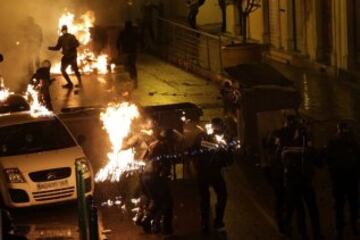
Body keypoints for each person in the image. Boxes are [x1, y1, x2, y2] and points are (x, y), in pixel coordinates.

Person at [279, 116, 322, 240]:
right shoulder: (304, 142)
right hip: (302, 180)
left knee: (300, 209)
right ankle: (314, 234)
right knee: (310, 209)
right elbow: (317, 160)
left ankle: (303, 234)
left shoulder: (285, 140)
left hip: (295, 180)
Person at [192, 118, 232, 234]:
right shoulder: (203, 136)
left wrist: (224, 150)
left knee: (222, 196)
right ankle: (205, 223)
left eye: (221, 126)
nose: (220, 128)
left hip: (215, 172)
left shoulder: (222, 139)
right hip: (203, 172)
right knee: (205, 199)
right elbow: (196, 147)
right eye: (218, 126)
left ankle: (218, 221)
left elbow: (229, 160)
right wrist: (214, 146)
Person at [140, 129, 178, 236]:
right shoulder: (163, 146)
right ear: (168, 139)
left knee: (157, 201)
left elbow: (143, 159)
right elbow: (165, 162)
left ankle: (146, 221)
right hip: (155, 177)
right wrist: (164, 172)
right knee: (168, 203)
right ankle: (167, 230)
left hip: (146, 175)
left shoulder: (153, 144)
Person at [326, 122, 359, 240]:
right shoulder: (352, 141)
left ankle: (339, 230)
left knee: (339, 206)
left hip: (338, 179)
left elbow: (328, 159)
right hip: (351, 179)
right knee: (353, 203)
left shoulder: (333, 141)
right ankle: (354, 226)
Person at [117, 21, 139, 88]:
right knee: (132, 65)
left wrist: (118, 50)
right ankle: (134, 79)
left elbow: (118, 42)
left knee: (128, 65)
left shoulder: (123, 33)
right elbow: (139, 40)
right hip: (132, 52)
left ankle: (132, 79)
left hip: (126, 52)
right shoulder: (134, 33)